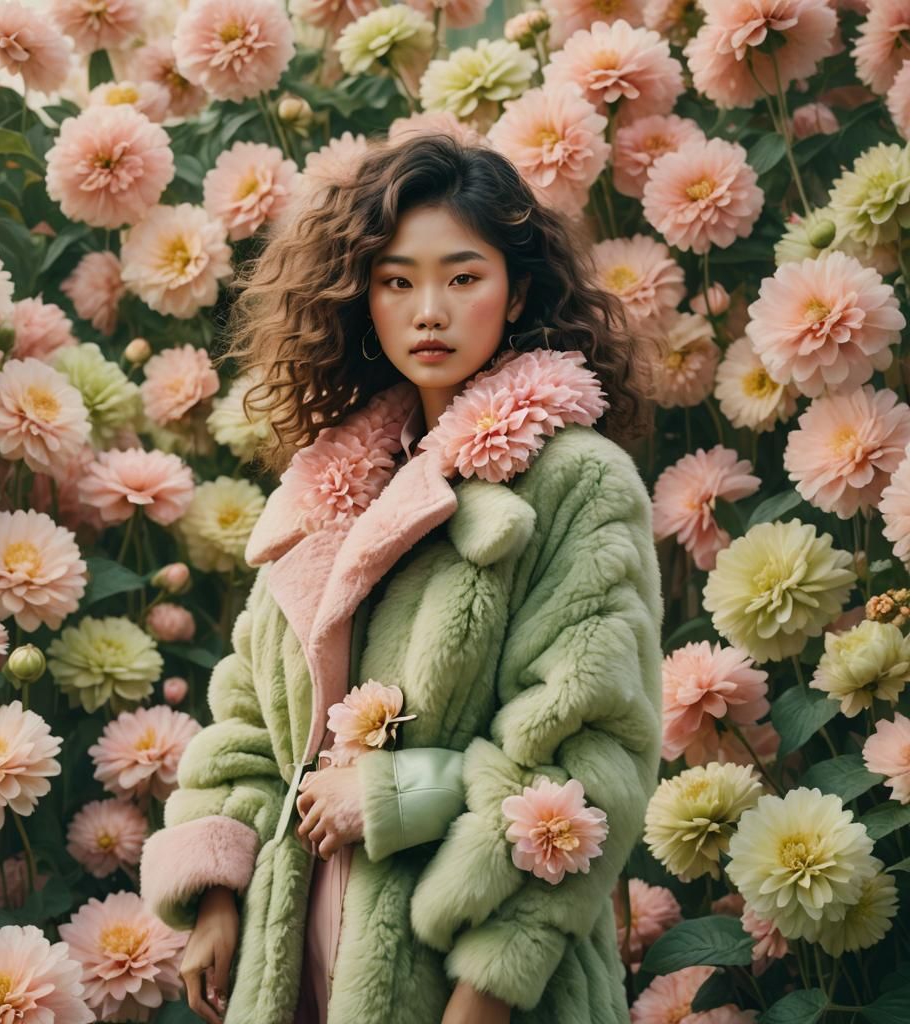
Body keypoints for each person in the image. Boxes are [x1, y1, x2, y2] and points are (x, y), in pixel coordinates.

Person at [140, 133, 664, 1024]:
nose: (429, 311)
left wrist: (488, 986)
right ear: (364, 300)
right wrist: (218, 890)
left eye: (463, 277)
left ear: (518, 292)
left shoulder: (577, 481)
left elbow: (590, 757)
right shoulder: (331, 486)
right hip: (292, 953)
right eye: (396, 281)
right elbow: (250, 710)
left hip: (467, 976)